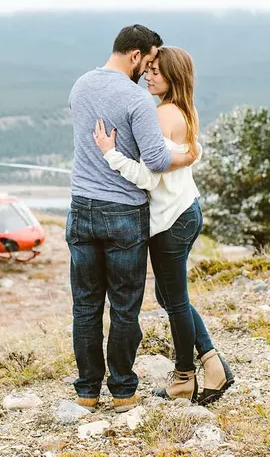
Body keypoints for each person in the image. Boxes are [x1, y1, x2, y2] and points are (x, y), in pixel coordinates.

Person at [67, 25, 198, 413]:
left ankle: (87, 391)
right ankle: (123, 391)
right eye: (149, 60)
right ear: (137, 55)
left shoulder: (80, 86)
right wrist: (192, 155)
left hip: (81, 208)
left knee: (86, 306)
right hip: (123, 212)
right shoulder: (137, 100)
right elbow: (157, 160)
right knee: (124, 307)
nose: (148, 70)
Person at [93, 46, 234, 405]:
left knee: (175, 300)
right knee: (171, 297)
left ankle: (187, 376)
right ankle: (210, 365)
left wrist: (111, 154)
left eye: (157, 71)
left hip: (170, 220)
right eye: (149, 69)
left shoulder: (162, 114)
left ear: (174, 77)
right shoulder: (185, 110)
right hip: (186, 211)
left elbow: (151, 177)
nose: (148, 75)